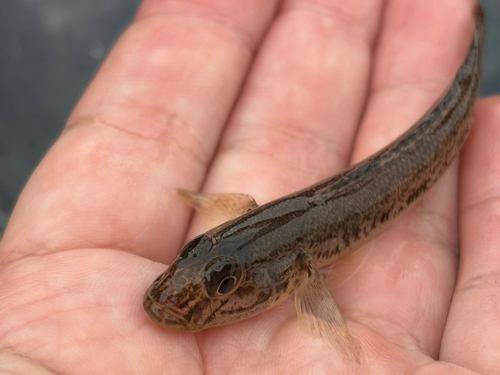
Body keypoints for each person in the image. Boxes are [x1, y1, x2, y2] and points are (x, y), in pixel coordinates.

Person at [1, 0, 498, 373]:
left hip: (406, 169)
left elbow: (247, 217)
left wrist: (333, 333)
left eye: (222, 284)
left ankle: (476, 38)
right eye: (194, 256)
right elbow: (242, 211)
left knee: (452, 119)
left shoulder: (301, 263)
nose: (175, 297)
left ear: (297, 272)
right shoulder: (256, 243)